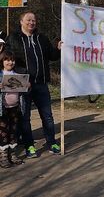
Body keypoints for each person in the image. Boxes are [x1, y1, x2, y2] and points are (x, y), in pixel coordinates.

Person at [5, 11, 62, 158]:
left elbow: (52, 56)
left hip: (41, 83)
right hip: (22, 83)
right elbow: (7, 59)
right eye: (28, 20)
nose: (32, 22)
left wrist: (58, 49)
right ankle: (29, 145)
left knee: (47, 116)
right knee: (25, 117)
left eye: (34, 20)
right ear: (21, 21)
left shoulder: (41, 38)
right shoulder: (13, 38)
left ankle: (52, 142)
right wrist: (20, 77)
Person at [0, 51, 26, 167]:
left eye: (12, 60)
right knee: (3, 132)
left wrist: (27, 86)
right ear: (2, 61)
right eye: (7, 60)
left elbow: (24, 91)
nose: (10, 62)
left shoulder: (17, 75)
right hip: (2, 109)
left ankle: (13, 154)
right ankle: (3, 156)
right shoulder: (0, 74)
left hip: (15, 108)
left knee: (13, 131)